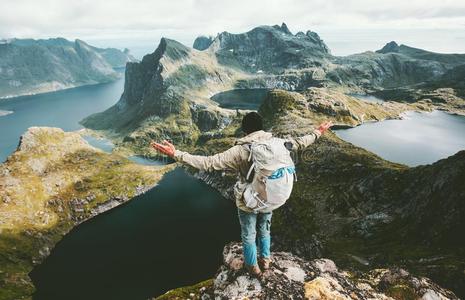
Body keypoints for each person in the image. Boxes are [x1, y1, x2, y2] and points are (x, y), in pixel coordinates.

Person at [151, 112, 332, 277]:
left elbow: (208, 163)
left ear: (245, 131)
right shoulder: (279, 143)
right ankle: (266, 261)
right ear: (262, 127)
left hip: (250, 200)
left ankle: (253, 267)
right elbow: (302, 142)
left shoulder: (240, 150)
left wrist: (176, 153)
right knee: (264, 229)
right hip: (271, 197)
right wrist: (318, 131)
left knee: (248, 233)